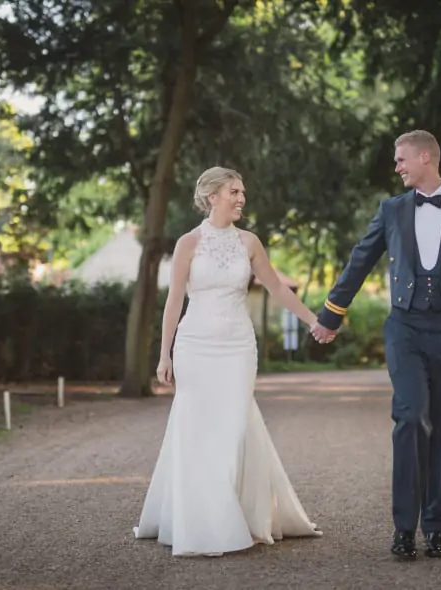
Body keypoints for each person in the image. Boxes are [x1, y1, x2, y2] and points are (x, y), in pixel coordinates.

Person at [311, 130, 441, 560]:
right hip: (404, 328)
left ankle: (437, 529)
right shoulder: (391, 210)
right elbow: (360, 260)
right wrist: (331, 315)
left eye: (401, 159)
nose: (397, 166)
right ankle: (404, 527)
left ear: (426, 157)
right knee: (410, 417)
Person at [133, 166, 324, 557]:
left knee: (234, 429)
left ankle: (247, 517)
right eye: (234, 192)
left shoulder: (250, 242)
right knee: (198, 431)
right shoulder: (188, 243)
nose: (241, 198)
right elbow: (174, 302)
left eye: (242, 192)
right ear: (212, 196)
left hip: (237, 347)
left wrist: (313, 320)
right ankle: (204, 522)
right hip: (195, 345)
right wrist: (164, 353)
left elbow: (275, 287)